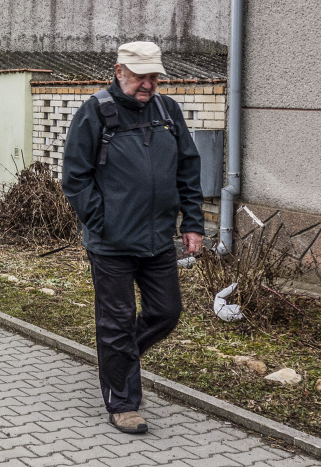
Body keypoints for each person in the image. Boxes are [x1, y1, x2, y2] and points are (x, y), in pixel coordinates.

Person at [62, 41, 204, 435]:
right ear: (119, 70)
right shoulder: (96, 111)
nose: (148, 84)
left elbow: (188, 169)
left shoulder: (167, 111)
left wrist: (192, 222)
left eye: (154, 76)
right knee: (118, 320)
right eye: (141, 76)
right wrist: (102, 220)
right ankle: (124, 403)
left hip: (157, 238)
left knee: (166, 312)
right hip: (111, 242)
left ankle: (117, 360)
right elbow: (74, 177)